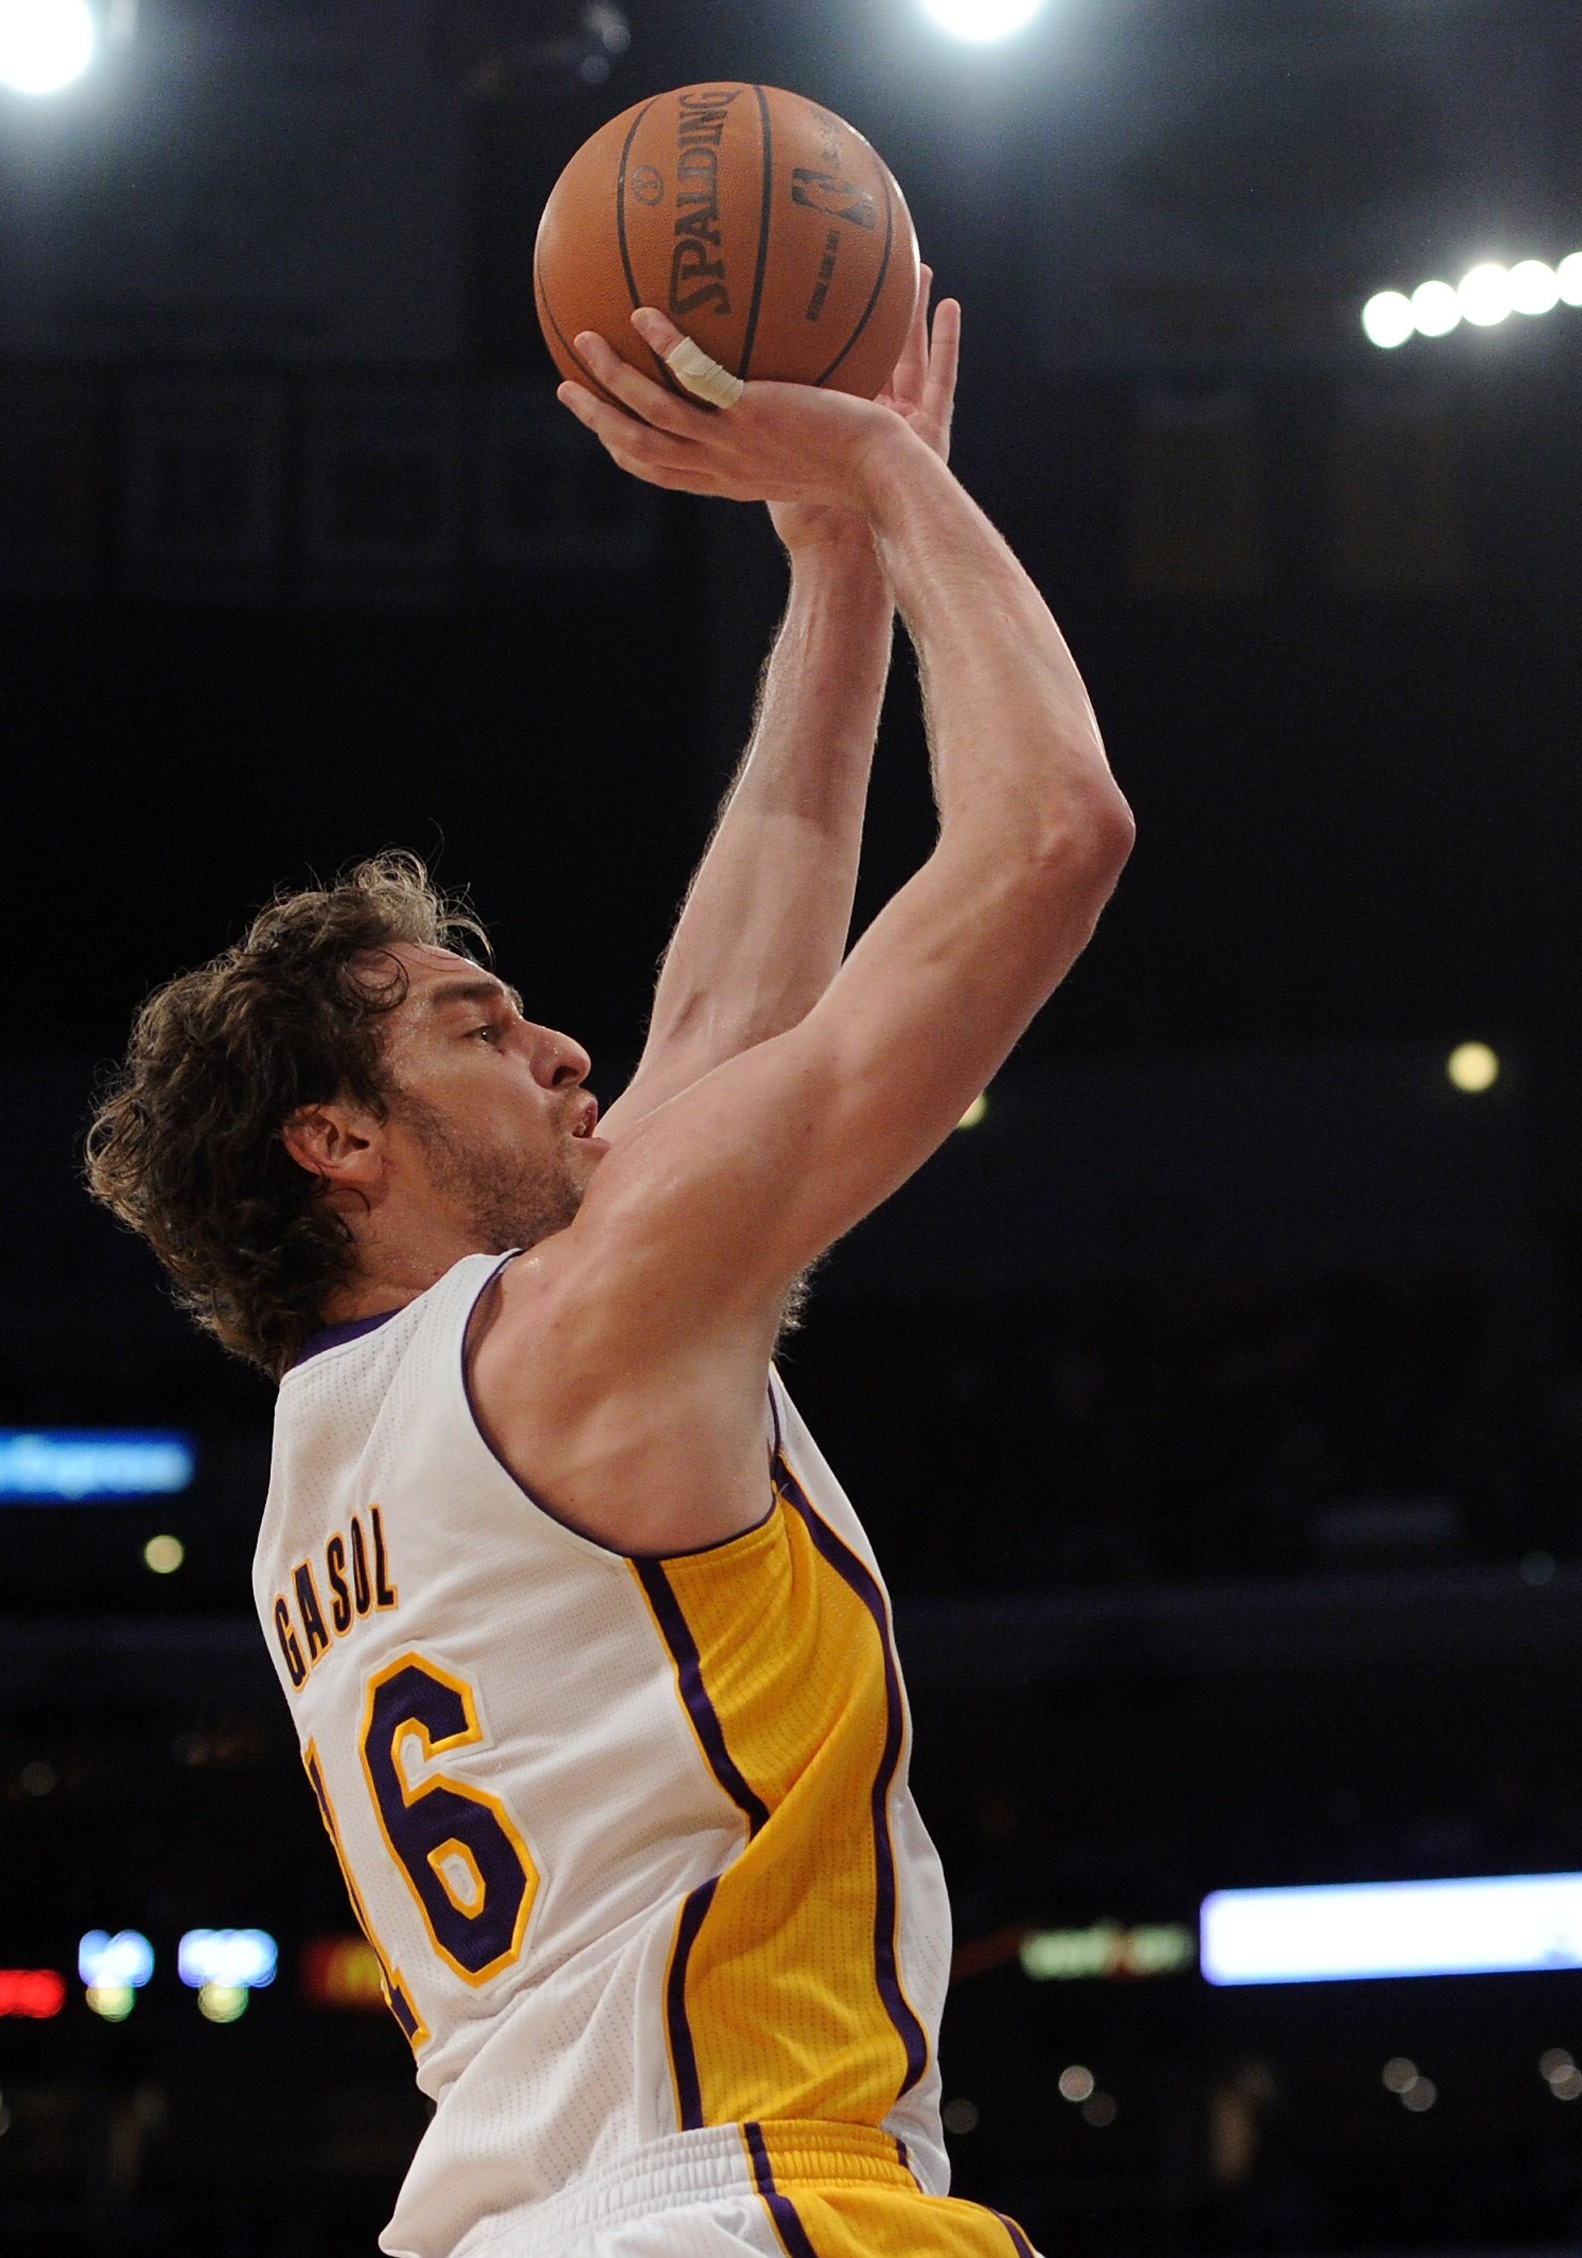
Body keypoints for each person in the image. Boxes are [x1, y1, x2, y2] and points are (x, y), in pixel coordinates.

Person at [86, 282, 1132, 2258]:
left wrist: (825, 562)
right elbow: (1055, 833)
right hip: (736, 2197)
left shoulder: (338, 1464)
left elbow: (741, 996)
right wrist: (893, 473)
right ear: (336, 1140)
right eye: (483, 1027)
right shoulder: (575, 1317)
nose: (568, 1052)